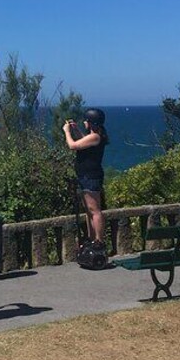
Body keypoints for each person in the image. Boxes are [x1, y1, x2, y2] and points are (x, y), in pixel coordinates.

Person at [62, 108, 109, 257]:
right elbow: (83, 142)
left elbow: (73, 146)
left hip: (91, 176)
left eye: (86, 121)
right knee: (89, 210)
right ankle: (92, 238)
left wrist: (67, 132)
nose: (84, 122)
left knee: (94, 210)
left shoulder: (95, 137)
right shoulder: (94, 136)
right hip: (85, 176)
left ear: (91, 122)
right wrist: (76, 131)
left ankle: (99, 241)